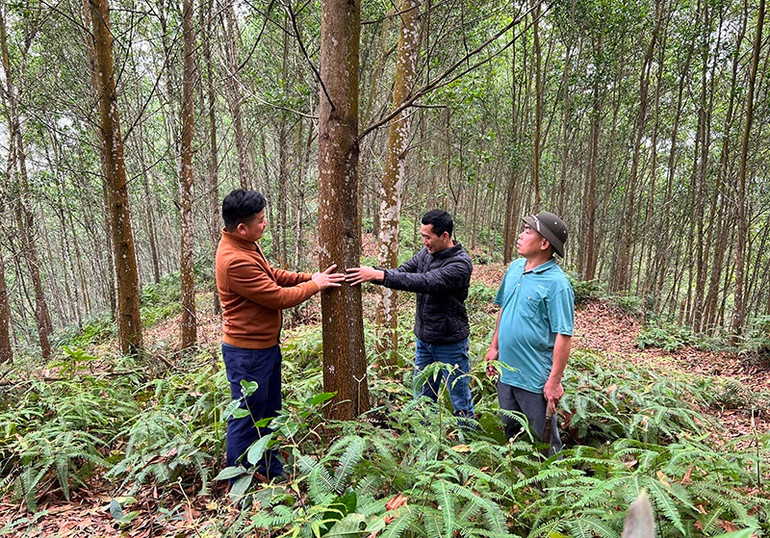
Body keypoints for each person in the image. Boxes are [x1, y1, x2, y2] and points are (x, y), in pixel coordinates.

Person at [215, 189, 344, 481]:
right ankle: (238, 481)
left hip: (264, 347)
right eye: (260, 220)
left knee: (269, 412)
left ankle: (269, 471)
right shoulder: (234, 259)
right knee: (247, 417)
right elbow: (277, 297)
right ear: (241, 227)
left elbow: (271, 274)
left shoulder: (245, 245)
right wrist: (316, 286)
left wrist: (310, 278)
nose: (265, 224)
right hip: (247, 353)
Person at [346, 209, 475, 419]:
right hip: (424, 341)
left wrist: (379, 275)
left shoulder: (459, 264)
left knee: (459, 398)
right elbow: (404, 271)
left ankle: (468, 441)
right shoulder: (427, 253)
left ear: (444, 236)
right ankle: (422, 440)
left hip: (450, 343)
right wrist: (372, 273)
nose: (424, 242)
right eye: (422, 236)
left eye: (428, 237)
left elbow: (426, 282)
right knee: (422, 397)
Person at [484, 212, 574, 453]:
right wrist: (494, 348)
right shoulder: (515, 268)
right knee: (511, 431)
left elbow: (564, 336)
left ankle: (550, 487)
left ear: (544, 243)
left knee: (543, 440)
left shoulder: (558, 285)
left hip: (534, 379)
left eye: (527, 231)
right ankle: (517, 479)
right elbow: (504, 308)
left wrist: (554, 382)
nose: (521, 235)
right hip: (506, 373)